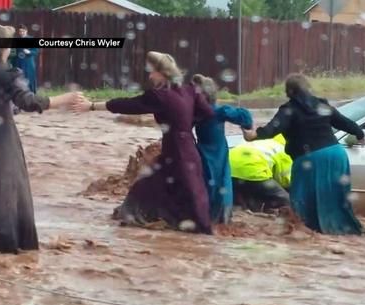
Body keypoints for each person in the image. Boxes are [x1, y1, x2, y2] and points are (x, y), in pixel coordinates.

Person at [0, 24, 77, 255]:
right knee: (4, 195)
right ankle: (2, 248)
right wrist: (64, 99)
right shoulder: (8, 74)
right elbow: (28, 102)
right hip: (1, 143)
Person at [72, 51, 215, 234]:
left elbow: (129, 104)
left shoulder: (159, 96)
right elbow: (208, 113)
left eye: (152, 72)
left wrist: (92, 106)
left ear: (162, 72)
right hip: (186, 148)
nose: (149, 76)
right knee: (163, 187)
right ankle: (168, 227)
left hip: (177, 152)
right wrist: (185, 125)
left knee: (187, 194)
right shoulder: (189, 90)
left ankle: (201, 234)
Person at [242, 73, 365, 235]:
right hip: (336, 154)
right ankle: (346, 230)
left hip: (310, 159)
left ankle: (308, 233)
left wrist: (253, 135)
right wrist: (360, 134)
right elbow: (345, 122)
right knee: (337, 198)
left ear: (289, 92)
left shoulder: (289, 110)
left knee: (302, 201)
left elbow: (272, 129)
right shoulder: (322, 105)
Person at [191, 74, 253, 224]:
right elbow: (245, 116)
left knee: (207, 182)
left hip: (203, 152)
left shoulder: (198, 113)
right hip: (218, 152)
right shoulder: (219, 111)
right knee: (222, 183)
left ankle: (208, 216)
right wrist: (247, 128)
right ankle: (223, 218)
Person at [229, 135, 292, 213]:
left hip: (230, 170)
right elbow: (284, 180)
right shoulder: (285, 150)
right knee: (288, 202)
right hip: (253, 170)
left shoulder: (264, 141)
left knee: (248, 197)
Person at [12, 24, 38, 93]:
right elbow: (14, 52)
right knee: (20, 78)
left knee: (29, 77)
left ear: (26, 31)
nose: (21, 33)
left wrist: (29, 52)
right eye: (20, 31)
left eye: (23, 31)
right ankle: (21, 94)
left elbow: (36, 51)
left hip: (28, 63)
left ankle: (31, 94)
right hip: (19, 62)